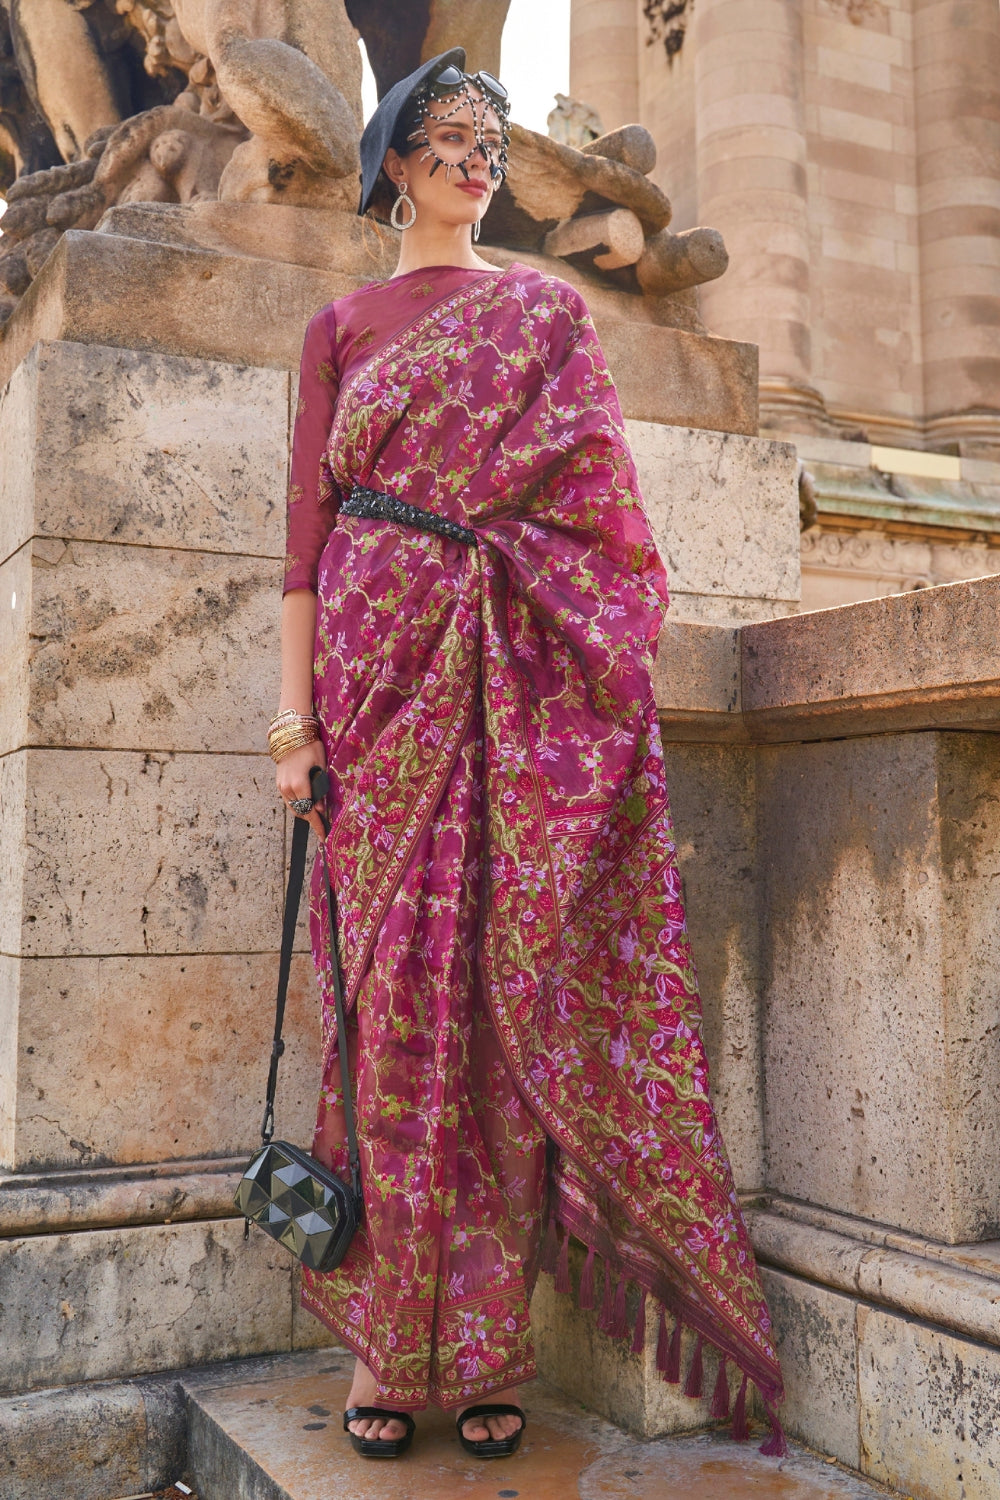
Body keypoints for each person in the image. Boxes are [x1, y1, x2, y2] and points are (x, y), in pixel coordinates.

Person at [271, 47, 786, 1463]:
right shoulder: (339, 327)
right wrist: (291, 722)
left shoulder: (547, 318)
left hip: (513, 701)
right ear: (394, 162)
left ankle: (486, 1352)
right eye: (445, 139)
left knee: (497, 1033)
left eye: (488, 140)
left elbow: (604, 526)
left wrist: (567, 650)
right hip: (372, 698)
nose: (474, 161)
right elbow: (304, 548)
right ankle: (389, 1349)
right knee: (387, 1024)